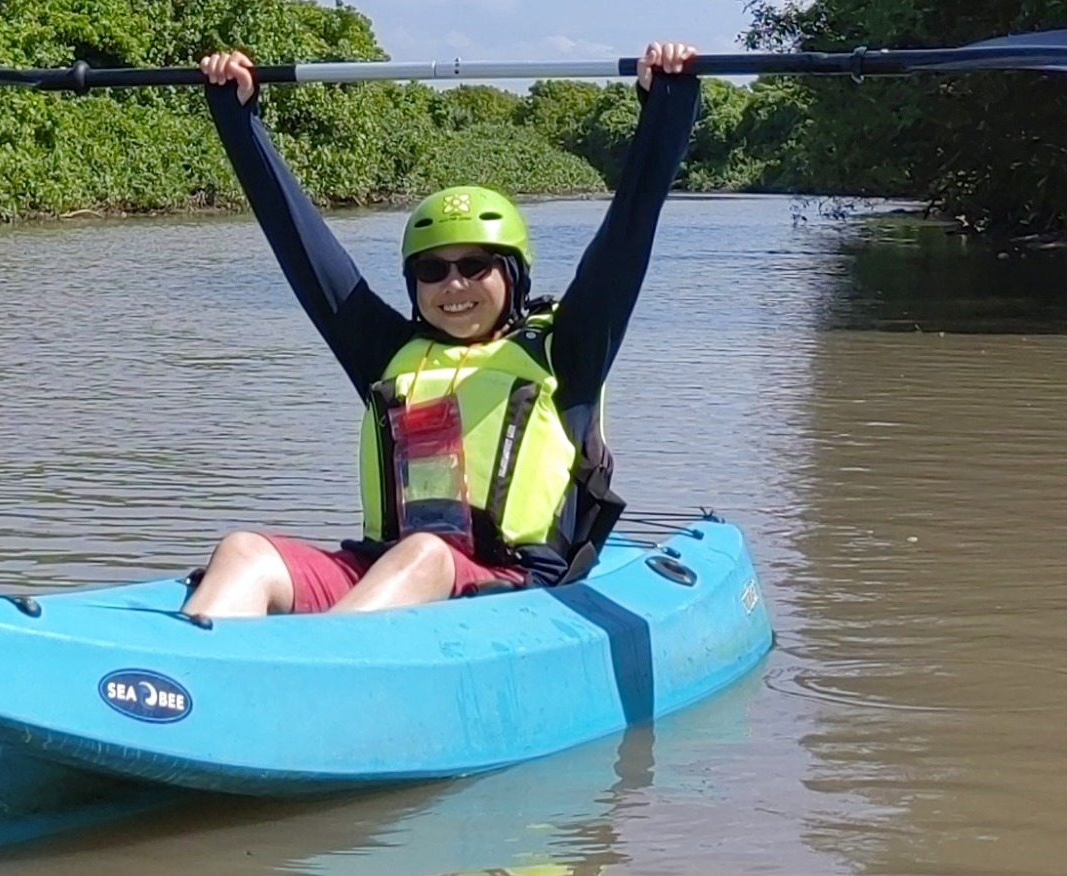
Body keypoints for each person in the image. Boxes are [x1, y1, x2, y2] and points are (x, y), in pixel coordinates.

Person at [181, 41, 704, 618]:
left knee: (424, 554)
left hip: (510, 581)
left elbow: (630, 229)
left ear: (513, 276)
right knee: (244, 551)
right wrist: (236, 114)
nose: (453, 287)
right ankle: (183, 681)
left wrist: (667, 103)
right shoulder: (389, 353)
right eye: (432, 271)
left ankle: (318, 672)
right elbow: (297, 240)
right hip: (384, 568)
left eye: (475, 267)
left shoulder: (567, 351)